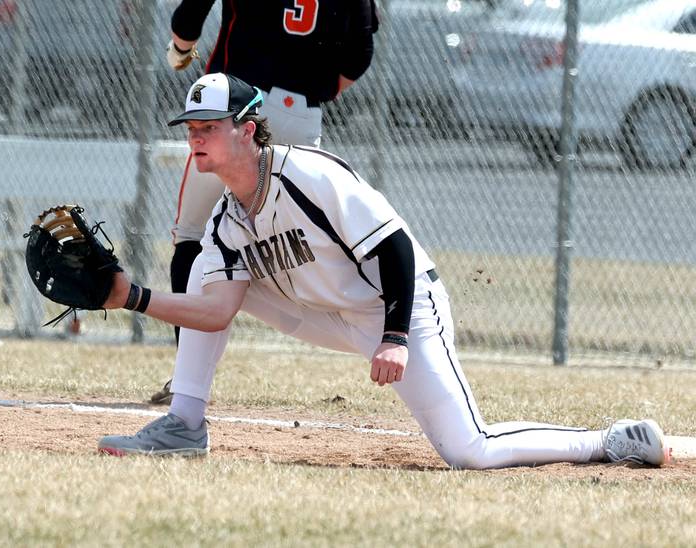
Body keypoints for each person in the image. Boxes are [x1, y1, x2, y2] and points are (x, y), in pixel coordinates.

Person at [97, 73, 671, 469]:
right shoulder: (227, 219)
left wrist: (395, 336)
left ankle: (608, 440)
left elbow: (396, 247)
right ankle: (184, 424)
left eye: (210, 127)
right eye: (192, 129)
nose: (196, 138)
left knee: (470, 451)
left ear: (248, 129)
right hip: (326, 313)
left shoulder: (309, 175)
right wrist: (130, 296)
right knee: (204, 267)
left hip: (403, 309)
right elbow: (215, 310)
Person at [149, 0, 379, 404]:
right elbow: (359, 52)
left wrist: (182, 49)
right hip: (304, 116)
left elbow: (189, 18)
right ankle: (375, 324)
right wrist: (313, 88)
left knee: (193, 235)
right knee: (301, 240)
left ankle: (185, 377)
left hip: (236, 108)